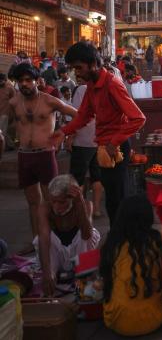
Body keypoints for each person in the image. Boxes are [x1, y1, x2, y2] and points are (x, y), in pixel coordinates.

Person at [51, 42, 146, 225]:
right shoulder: (91, 85)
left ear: (93, 64)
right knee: (111, 198)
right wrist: (63, 132)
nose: (76, 73)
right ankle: (117, 238)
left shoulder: (112, 84)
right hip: (104, 147)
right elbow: (84, 116)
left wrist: (114, 142)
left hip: (115, 148)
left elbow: (138, 118)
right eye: (73, 69)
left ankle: (121, 240)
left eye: (79, 68)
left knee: (117, 198)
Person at [8, 64, 77, 252]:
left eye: (28, 80)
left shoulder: (49, 101)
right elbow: (14, 124)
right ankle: (37, 242)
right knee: (32, 202)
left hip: (45, 155)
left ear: (37, 81)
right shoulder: (14, 103)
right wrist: (16, 139)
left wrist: (67, 134)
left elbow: (77, 115)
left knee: (53, 200)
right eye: (20, 81)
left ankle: (57, 241)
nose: (24, 84)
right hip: (25, 156)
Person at [100, 196, 162, 336]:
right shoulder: (156, 242)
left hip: (117, 321)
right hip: (154, 319)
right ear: (148, 217)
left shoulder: (113, 244)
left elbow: (105, 281)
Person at [35, 175, 100, 297]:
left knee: (89, 234)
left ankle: (84, 276)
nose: (57, 207)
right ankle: (53, 277)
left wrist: (79, 202)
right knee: (40, 239)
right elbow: (43, 238)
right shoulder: (45, 208)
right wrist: (47, 273)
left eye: (62, 202)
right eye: (53, 201)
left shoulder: (85, 205)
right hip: (58, 255)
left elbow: (87, 235)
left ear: (72, 198)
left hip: (78, 252)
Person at [68, 79, 104, 218]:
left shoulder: (81, 90)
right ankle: (96, 209)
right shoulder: (101, 89)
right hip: (99, 139)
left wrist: (70, 137)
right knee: (97, 176)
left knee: (78, 178)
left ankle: (80, 210)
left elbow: (77, 116)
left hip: (83, 140)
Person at [0, 73, 16, 147]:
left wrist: (13, 113)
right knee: (3, 131)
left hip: (5, 113)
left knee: (2, 131)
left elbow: (14, 100)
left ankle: (2, 147)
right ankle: (11, 145)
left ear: (5, 80)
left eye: (1, 81)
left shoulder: (10, 88)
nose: (0, 82)